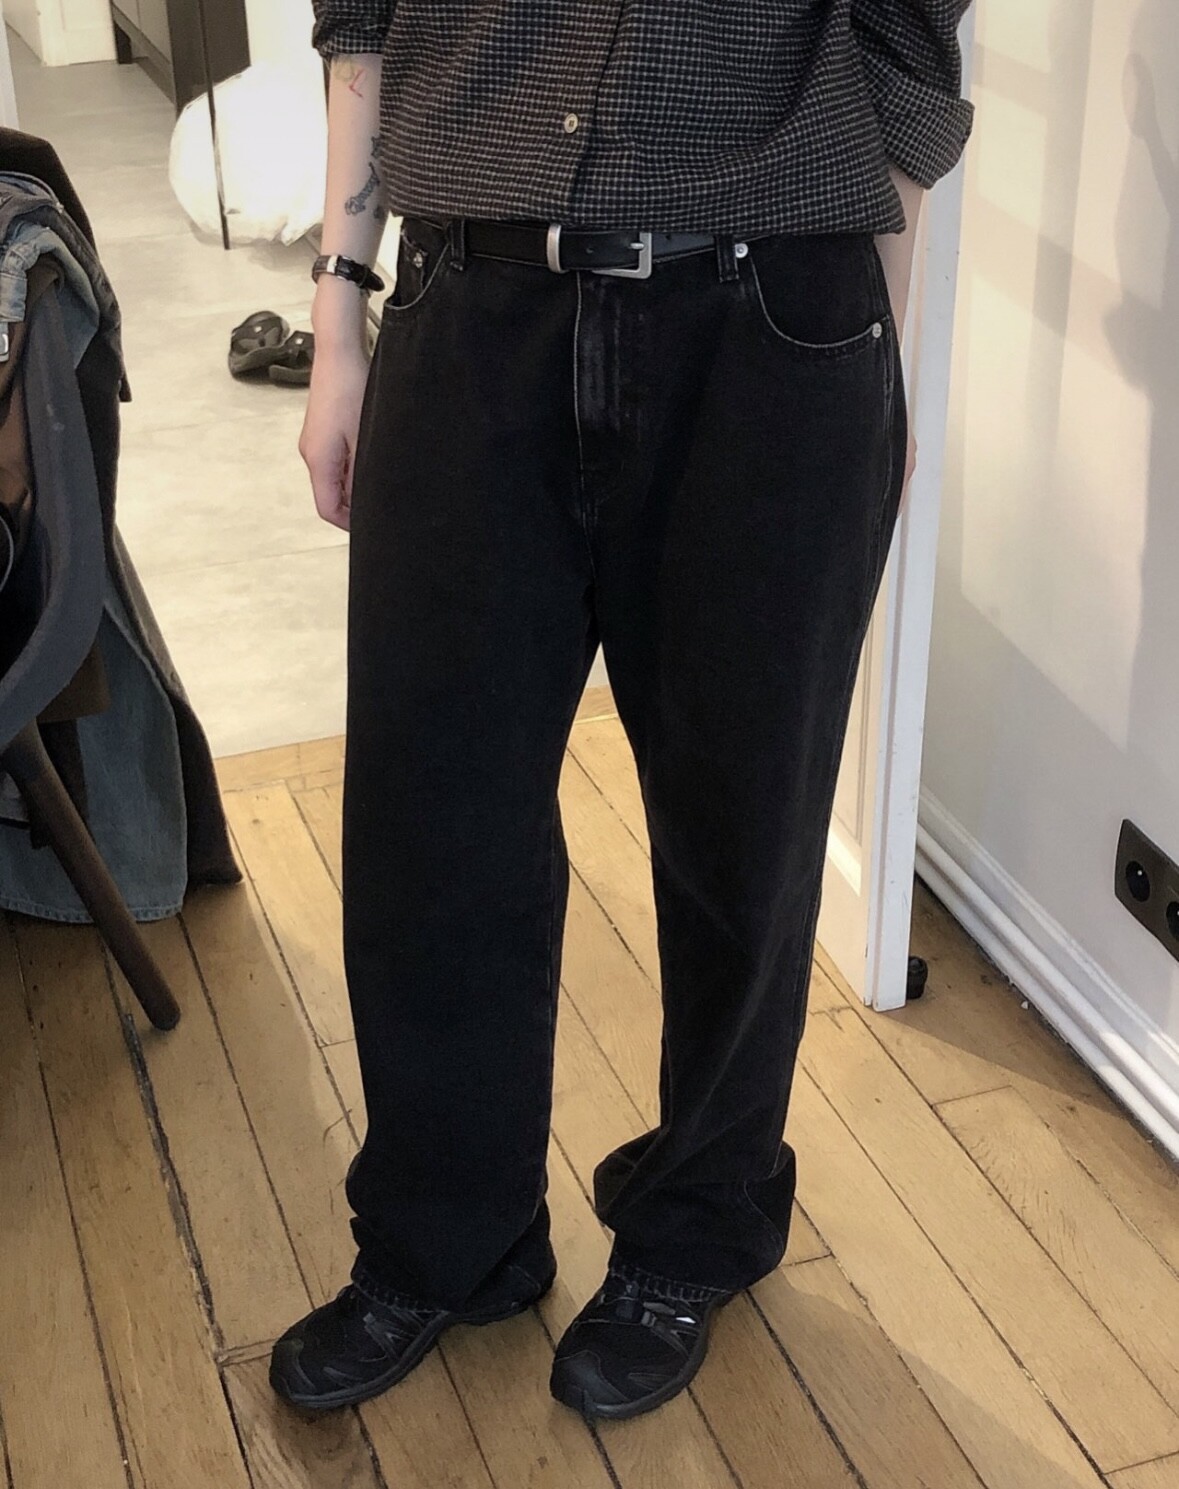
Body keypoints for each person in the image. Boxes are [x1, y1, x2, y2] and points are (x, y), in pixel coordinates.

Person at [269, 0, 974, 1421]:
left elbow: (908, 38)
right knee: (432, 811)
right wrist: (337, 316)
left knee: (745, 822)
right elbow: (363, 14)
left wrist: (880, 350)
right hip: (467, 302)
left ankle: (696, 1225)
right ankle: (445, 1232)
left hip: (771, 318)